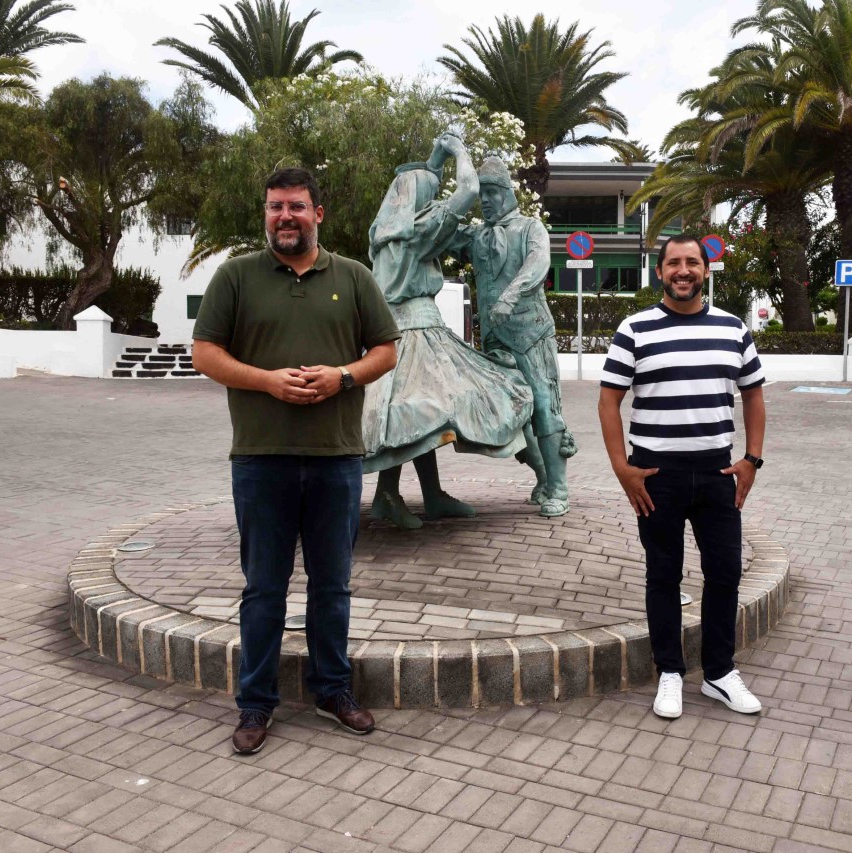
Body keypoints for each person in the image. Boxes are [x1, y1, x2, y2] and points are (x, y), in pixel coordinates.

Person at [192, 167, 401, 754]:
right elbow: (205, 352)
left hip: (336, 458)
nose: (285, 216)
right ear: (266, 213)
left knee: (333, 586)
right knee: (263, 589)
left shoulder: (354, 278)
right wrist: (266, 382)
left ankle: (333, 690)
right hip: (261, 460)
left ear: (318, 214)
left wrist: (342, 376)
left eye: (297, 207)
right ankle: (255, 704)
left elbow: (384, 350)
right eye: (275, 207)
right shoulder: (237, 277)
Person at [598, 234, 767, 720]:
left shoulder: (734, 329)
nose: (683, 270)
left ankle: (718, 673)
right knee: (663, 575)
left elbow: (753, 396)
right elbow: (610, 400)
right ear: (660, 272)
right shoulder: (634, 329)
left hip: (717, 473)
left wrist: (751, 460)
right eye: (674, 263)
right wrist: (621, 468)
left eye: (692, 261)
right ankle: (669, 672)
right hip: (657, 476)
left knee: (725, 574)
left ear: (705, 270)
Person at [361, 135, 536, 529]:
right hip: (417, 332)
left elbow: (426, 184)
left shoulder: (385, 235)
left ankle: (428, 494)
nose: (434, 196)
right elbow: (469, 189)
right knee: (427, 410)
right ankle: (390, 495)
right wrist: (457, 151)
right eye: (429, 192)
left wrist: (433, 157)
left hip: (400, 330)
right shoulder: (416, 231)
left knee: (419, 414)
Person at [449, 157, 574, 517]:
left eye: (490, 193)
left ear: (506, 192)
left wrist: (510, 294)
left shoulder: (530, 227)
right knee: (510, 413)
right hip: (494, 340)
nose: (485, 201)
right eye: (481, 194)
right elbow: (440, 237)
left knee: (544, 409)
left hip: (532, 334)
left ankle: (559, 487)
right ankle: (543, 478)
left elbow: (538, 265)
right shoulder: (477, 235)